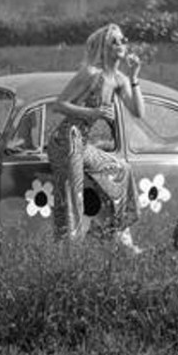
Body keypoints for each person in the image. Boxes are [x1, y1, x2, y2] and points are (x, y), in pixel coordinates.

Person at [47, 23, 145, 253]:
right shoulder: (91, 73)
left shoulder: (120, 79)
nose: (121, 44)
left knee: (121, 170)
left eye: (123, 40)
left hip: (82, 143)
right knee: (74, 197)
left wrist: (134, 77)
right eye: (114, 41)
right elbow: (59, 105)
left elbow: (138, 112)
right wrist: (93, 113)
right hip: (66, 139)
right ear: (104, 47)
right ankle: (69, 252)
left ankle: (115, 233)